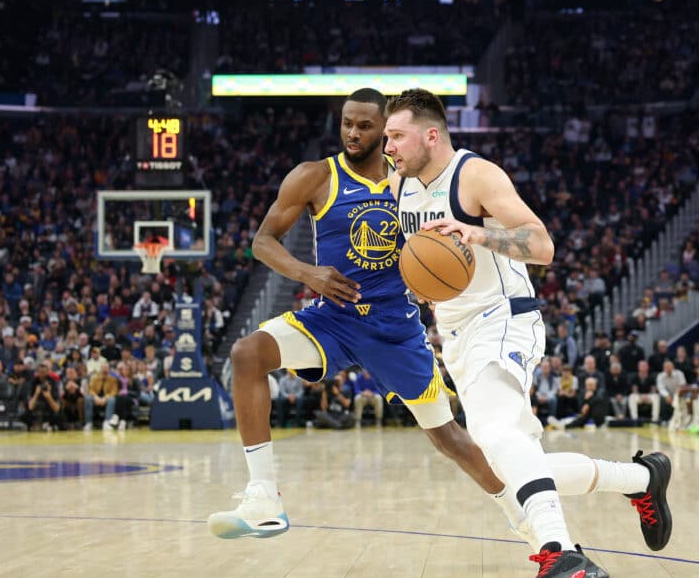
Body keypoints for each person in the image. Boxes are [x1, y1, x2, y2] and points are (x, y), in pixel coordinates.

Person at [385, 88, 672, 578]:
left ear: (431, 135)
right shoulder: (399, 182)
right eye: (386, 137)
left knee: (490, 435)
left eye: (396, 135)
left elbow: (542, 246)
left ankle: (560, 554)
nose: (389, 146)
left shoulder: (477, 176)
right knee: (516, 460)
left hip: (505, 319)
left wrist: (475, 234)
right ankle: (642, 478)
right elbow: (422, 259)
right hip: (456, 333)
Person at [208, 89, 534, 549]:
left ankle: (520, 515)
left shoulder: (410, 184)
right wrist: (308, 273)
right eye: (347, 124)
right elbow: (262, 241)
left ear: (387, 130)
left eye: (365, 126)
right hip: (334, 318)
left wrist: (433, 282)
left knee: (448, 437)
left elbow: (435, 250)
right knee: (247, 354)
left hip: (394, 329)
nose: (353, 133)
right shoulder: (315, 176)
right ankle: (263, 497)